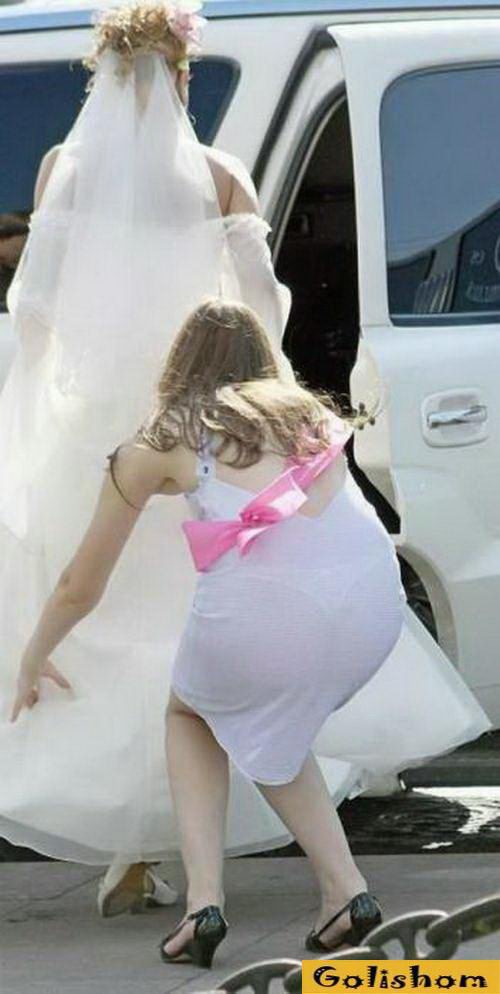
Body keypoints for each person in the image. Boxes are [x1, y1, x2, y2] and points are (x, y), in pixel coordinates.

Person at [11, 298, 491, 968]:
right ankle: (345, 894)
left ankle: (204, 904)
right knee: (266, 721)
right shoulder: (308, 416)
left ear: (178, 364)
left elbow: (79, 585)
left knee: (191, 713)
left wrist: (33, 654)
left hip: (270, 613)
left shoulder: (162, 439)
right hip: (374, 607)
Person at [0, 0, 295, 917]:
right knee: (183, 625)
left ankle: (128, 853)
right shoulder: (220, 174)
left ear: (103, 77)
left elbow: (33, 312)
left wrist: (43, 409)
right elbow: (260, 312)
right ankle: (181, 841)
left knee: (99, 621)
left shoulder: (61, 169)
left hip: (93, 430)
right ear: (183, 75)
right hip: (192, 428)